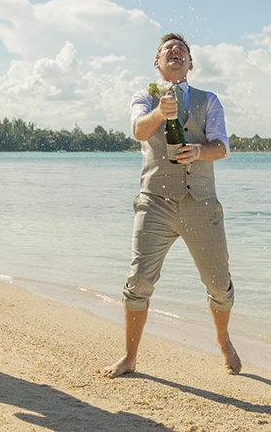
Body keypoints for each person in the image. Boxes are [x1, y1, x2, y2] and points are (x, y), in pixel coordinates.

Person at [102, 33, 241, 378]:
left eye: (182, 50)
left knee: (219, 285)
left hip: (201, 203)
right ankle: (129, 356)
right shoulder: (144, 97)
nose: (175, 52)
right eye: (168, 49)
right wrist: (160, 113)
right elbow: (138, 130)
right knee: (137, 283)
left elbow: (221, 147)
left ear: (190, 63)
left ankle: (222, 339)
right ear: (157, 62)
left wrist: (198, 152)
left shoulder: (209, 100)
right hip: (155, 202)